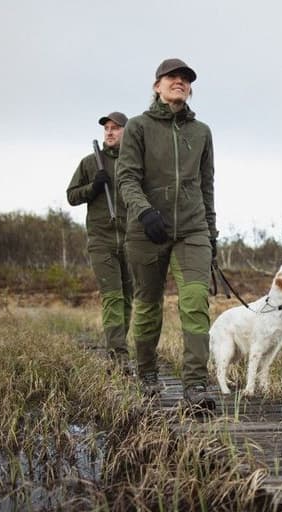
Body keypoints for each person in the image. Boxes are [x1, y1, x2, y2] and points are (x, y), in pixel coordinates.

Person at [117, 58, 217, 408]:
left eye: (186, 79)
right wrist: (144, 213)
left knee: (194, 301)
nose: (180, 82)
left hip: (192, 229)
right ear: (157, 85)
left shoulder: (201, 132)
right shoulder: (139, 127)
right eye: (172, 77)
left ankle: (196, 387)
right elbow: (126, 177)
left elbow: (207, 186)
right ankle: (146, 374)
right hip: (147, 229)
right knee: (147, 305)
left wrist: (212, 234)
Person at [66, 111, 133, 374]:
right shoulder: (90, 162)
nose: (110, 132)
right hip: (102, 239)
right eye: (107, 128)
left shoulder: (135, 161)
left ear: (126, 132)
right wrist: (93, 187)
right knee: (113, 297)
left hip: (131, 239)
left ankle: (118, 347)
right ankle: (118, 357)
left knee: (128, 299)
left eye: (116, 128)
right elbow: (71, 196)